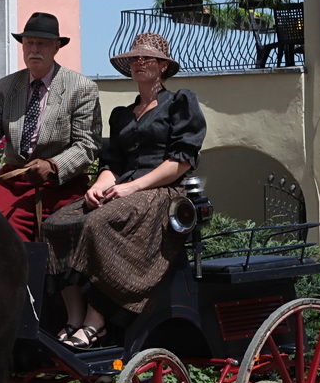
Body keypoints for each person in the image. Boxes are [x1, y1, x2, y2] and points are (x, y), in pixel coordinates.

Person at [41, 32, 206, 347]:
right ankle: (74, 318)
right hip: (125, 187)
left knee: (96, 224)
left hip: (162, 192)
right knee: (56, 224)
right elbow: (111, 163)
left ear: (162, 67)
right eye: (134, 58)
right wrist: (99, 186)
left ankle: (97, 320)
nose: (138, 62)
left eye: (146, 58)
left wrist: (133, 186)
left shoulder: (180, 103)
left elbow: (181, 161)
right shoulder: (122, 115)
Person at [0, 12, 102, 241]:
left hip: (60, 185)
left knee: (50, 238)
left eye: (41, 44)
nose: (34, 49)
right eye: (28, 43)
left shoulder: (81, 88)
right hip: (12, 181)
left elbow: (87, 145)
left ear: (56, 47)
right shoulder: (7, 86)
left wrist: (53, 166)